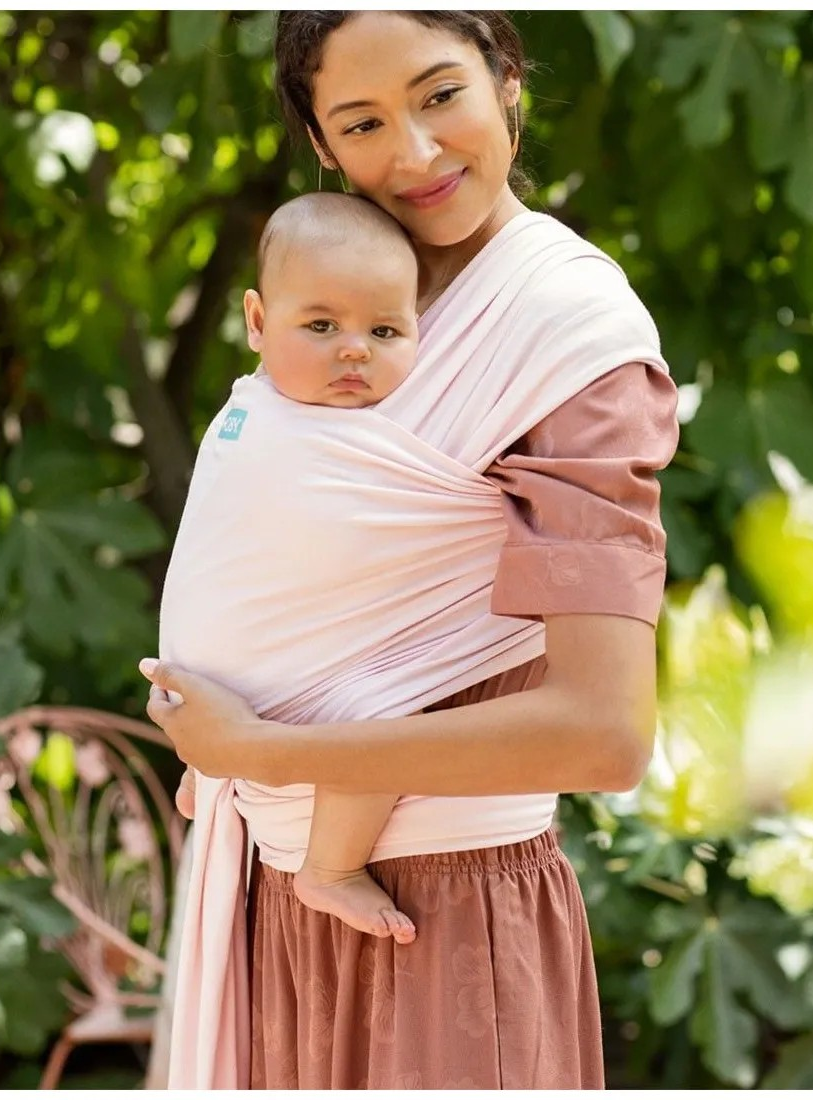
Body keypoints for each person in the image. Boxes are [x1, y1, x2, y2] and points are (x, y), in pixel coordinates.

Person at [142, 10, 679, 1091]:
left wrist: (263, 750)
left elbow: (603, 734)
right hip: (274, 899)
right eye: (364, 121)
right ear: (322, 146)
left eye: (440, 96)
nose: (417, 152)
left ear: (507, 81)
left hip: (439, 918)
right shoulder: (343, 298)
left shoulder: (566, 339)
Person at [173, 190, 427, 944]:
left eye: (385, 330)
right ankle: (332, 866)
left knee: (379, 715)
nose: (355, 350)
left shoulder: (247, 407)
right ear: (256, 322)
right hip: (248, 669)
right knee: (388, 719)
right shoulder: (292, 422)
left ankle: (206, 768)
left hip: (214, 669)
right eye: (321, 326)